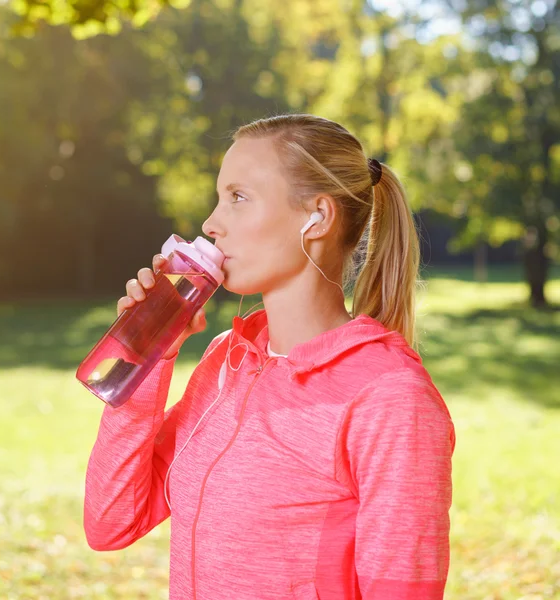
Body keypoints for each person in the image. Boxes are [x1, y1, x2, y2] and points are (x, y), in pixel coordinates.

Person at [84, 113, 456, 600]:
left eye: (238, 197)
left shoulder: (389, 399)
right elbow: (112, 523)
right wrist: (149, 352)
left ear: (317, 217)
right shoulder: (226, 363)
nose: (210, 224)